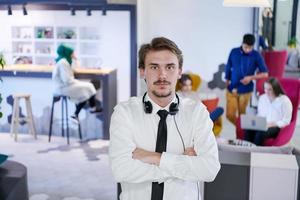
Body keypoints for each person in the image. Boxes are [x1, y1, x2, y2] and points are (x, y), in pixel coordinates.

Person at [109, 37, 220, 200]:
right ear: (142, 71)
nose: (162, 75)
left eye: (170, 67)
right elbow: (120, 170)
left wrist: (154, 157)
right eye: (154, 67)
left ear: (180, 71)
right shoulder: (124, 113)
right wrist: (183, 164)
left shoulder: (197, 112)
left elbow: (209, 169)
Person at [225, 33, 268, 126]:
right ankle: (241, 128)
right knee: (229, 115)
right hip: (232, 88)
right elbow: (228, 66)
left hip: (246, 90)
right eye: (245, 47)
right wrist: (227, 81)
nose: (247, 49)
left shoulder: (256, 55)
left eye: (250, 48)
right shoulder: (234, 51)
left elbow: (265, 74)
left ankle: (241, 131)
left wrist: (251, 77)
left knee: (242, 116)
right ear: (242, 43)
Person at [52, 44, 101, 121]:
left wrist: (75, 59)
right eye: (72, 53)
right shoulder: (63, 62)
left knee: (88, 88)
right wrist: (76, 82)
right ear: (67, 53)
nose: (73, 54)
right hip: (63, 88)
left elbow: (74, 68)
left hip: (66, 86)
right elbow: (67, 80)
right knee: (88, 88)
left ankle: (77, 114)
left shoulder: (65, 61)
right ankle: (84, 111)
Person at [243, 77, 292, 146]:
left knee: (260, 133)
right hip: (263, 124)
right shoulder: (262, 98)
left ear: (276, 89)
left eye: (269, 89)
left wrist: (273, 124)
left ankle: (256, 152)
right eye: (265, 88)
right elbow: (260, 114)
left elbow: (286, 121)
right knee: (248, 129)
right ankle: (246, 150)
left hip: (275, 126)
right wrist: (255, 122)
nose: (266, 91)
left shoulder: (285, 101)